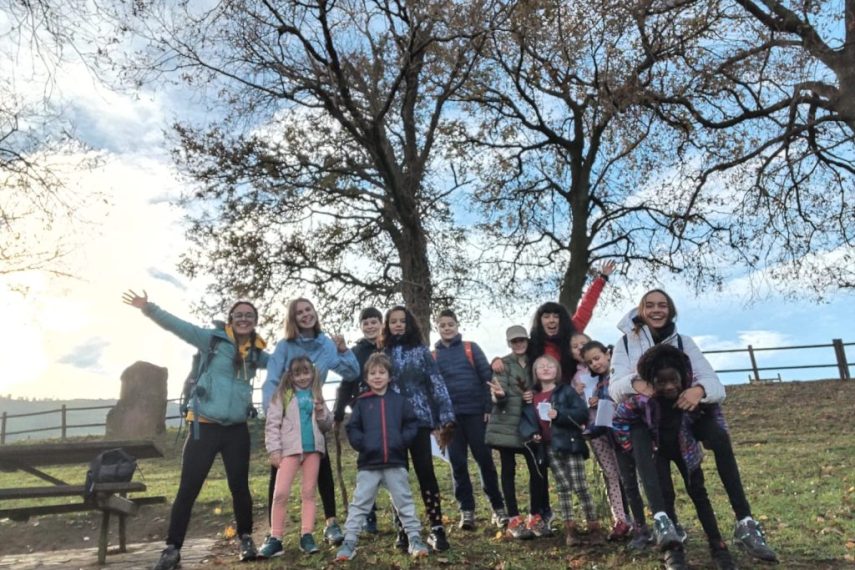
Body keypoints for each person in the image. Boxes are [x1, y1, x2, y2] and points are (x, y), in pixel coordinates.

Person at [609, 289, 778, 562]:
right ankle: (664, 524)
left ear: (671, 310)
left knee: (719, 438)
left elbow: (713, 382)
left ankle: (745, 522)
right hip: (648, 419)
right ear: (641, 310)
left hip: (684, 416)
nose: (656, 310)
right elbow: (615, 386)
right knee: (655, 467)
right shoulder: (626, 344)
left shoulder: (684, 342)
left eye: (662, 305)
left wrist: (698, 390)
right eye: (650, 305)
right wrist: (637, 384)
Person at [122, 290, 268, 570]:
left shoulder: (256, 352)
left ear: (255, 321)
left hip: (236, 430)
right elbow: (178, 326)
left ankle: (246, 538)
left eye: (249, 316)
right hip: (204, 426)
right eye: (239, 315)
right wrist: (149, 308)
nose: (244, 319)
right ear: (231, 319)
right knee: (188, 488)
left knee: (240, 487)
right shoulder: (211, 339)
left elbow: (286, 362)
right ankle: (172, 548)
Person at [613, 344, 737, 570]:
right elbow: (619, 419)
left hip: (686, 451)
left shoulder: (690, 398)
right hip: (658, 452)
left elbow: (715, 414)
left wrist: (714, 438)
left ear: (683, 377)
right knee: (665, 495)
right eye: (662, 382)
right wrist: (632, 448)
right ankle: (673, 552)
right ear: (651, 381)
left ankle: (718, 546)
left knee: (699, 494)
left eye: (674, 380)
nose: (669, 386)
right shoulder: (642, 401)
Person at [262, 298, 360, 548]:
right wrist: (275, 415)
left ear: (315, 312)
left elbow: (352, 373)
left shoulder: (326, 345)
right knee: (279, 483)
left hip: (315, 419)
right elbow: (272, 380)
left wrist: (344, 351)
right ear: (292, 319)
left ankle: (329, 523)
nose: (306, 315)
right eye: (299, 312)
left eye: (309, 310)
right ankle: (274, 534)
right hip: (287, 421)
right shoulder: (285, 346)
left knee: (321, 474)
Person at [335, 353, 430, 561]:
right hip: (369, 464)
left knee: (404, 501)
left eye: (382, 372)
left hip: (395, 461)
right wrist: (364, 444)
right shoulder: (361, 403)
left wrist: (400, 441)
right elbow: (352, 428)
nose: (377, 376)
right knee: (360, 503)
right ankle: (349, 541)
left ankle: (414, 538)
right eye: (372, 373)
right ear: (367, 378)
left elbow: (411, 424)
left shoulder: (400, 402)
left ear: (389, 376)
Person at [381, 305, 456, 552]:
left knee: (426, 473)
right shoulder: (383, 353)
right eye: (394, 321)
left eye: (402, 321)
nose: (398, 325)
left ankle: (437, 528)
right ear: (388, 325)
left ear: (410, 324)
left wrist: (445, 416)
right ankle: (403, 529)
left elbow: (437, 383)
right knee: (397, 477)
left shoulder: (421, 352)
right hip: (392, 423)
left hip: (421, 421)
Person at [433, 309, 507, 531]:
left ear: (457, 325)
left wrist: (487, 406)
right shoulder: (433, 356)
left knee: (485, 460)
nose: (447, 328)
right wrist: (438, 419)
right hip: (449, 419)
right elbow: (433, 388)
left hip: (475, 413)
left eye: (450, 324)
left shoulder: (470, 348)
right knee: (458, 464)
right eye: (442, 325)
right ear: (437, 328)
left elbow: (487, 377)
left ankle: (498, 508)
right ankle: (467, 511)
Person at [520, 355, 604, 547]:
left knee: (580, 486)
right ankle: (570, 529)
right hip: (549, 447)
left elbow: (582, 412)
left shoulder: (566, 391)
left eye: (550, 365)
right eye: (541, 366)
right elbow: (527, 420)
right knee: (563, 488)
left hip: (570, 444)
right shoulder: (532, 396)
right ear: (535, 372)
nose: (546, 368)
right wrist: (533, 433)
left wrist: (559, 415)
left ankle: (594, 527)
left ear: (557, 370)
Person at [259, 356, 332, 558]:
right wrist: (274, 450)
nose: (302, 377)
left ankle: (306, 535)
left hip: (312, 451)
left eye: (306, 372)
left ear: (312, 373)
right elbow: (272, 424)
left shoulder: (317, 394)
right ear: (290, 375)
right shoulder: (284, 394)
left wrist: (320, 413)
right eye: (297, 373)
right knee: (280, 493)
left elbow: (327, 425)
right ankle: (276, 538)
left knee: (308, 493)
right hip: (289, 451)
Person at [484, 325, 545, 539]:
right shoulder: (502, 365)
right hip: (506, 424)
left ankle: (535, 516)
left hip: (530, 423)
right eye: (514, 341)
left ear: (527, 341)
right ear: (509, 343)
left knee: (536, 469)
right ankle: (513, 519)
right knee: (508, 470)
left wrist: (534, 395)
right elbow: (497, 392)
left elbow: (545, 383)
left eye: (522, 340)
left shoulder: (537, 362)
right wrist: (499, 395)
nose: (519, 344)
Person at [332, 306, 383, 534]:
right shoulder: (354, 353)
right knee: (368, 465)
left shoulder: (389, 347)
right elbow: (346, 383)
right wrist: (338, 412)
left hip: (389, 411)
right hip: (364, 413)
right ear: (361, 327)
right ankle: (368, 515)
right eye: (366, 323)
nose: (371, 326)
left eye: (374, 321)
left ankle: (399, 515)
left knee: (396, 465)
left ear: (381, 324)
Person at [579, 340, 634, 542]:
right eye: (590, 362)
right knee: (611, 475)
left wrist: (603, 403)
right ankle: (620, 519)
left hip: (622, 434)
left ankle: (638, 520)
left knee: (627, 475)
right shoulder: (597, 383)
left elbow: (623, 401)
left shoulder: (619, 375)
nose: (595, 363)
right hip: (602, 433)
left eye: (597, 358)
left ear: (608, 354)